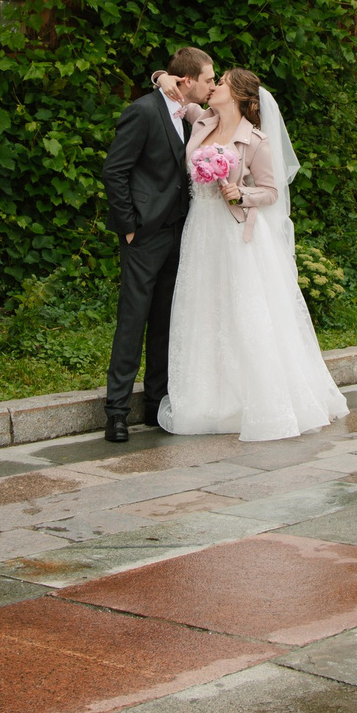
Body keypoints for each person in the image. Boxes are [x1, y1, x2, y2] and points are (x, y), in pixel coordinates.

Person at [156, 67, 347, 442]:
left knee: (245, 312)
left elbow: (271, 191)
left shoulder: (256, 141)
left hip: (236, 234)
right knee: (205, 311)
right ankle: (210, 401)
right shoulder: (201, 121)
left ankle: (260, 400)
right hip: (201, 233)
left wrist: (241, 194)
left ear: (239, 95)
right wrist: (161, 75)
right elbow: (174, 94)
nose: (214, 87)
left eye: (221, 82)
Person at [99, 47, 215, 442]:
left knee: (166, 319)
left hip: (180, 232)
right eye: (208, 78)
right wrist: (128, 226)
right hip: (145, 233)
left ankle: (155, 402)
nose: (212, 85)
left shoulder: (192, 115)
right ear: (186, 81)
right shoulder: (144, 111)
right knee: (133, 319)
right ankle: (115, 410)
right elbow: (114, 171)